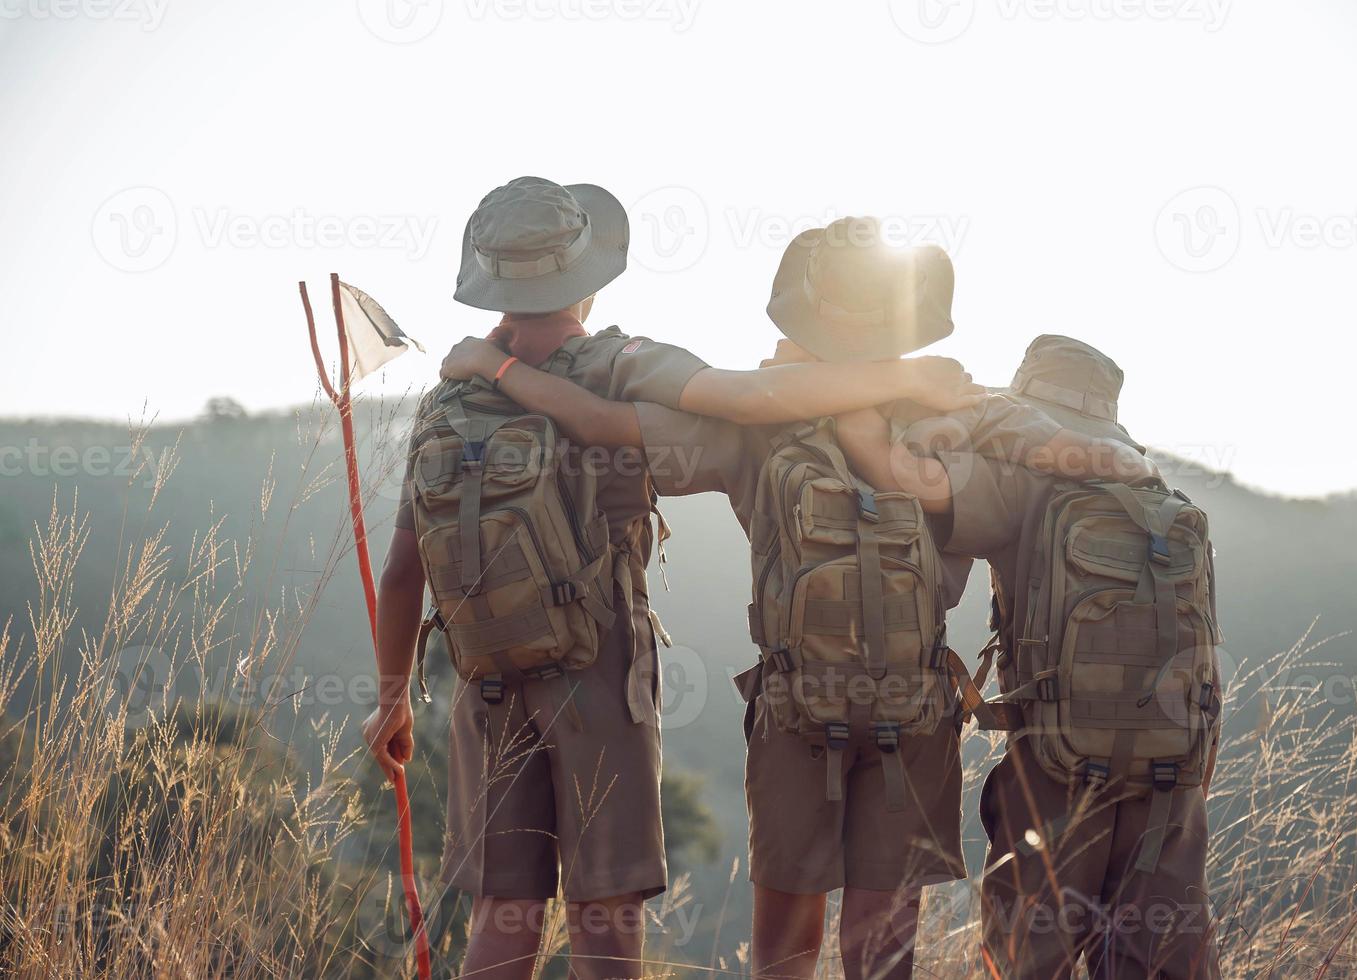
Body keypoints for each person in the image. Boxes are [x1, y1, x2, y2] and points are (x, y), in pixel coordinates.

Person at [437, 218, 1154, 979]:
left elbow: (603, 425)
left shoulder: (757, 424)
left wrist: (495, 369)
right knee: (882, 943)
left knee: (786, 941)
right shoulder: (958, 411)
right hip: (912, 712)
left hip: (795, 710)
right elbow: (1086, 456)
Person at [361, 180, 989, 980]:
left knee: (503, 912)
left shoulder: (450, 397)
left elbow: (402, 570)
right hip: (602, 670)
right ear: (587, 279)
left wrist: (388, 700)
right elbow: (742, 396)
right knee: (605, 906)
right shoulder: (620, 361)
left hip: (484, 679)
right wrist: (897, 383)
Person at [833, 335, 1222, 979]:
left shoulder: (1020, 482)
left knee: (1031, 957)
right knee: (1161, 960)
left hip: (1054, 768)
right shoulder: (1163, 501)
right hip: (1171, 778)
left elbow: (893, 463)